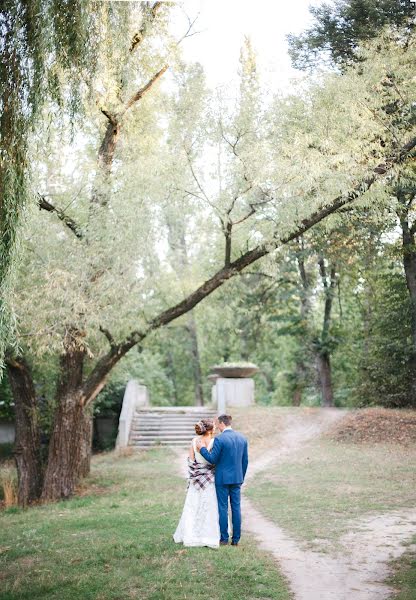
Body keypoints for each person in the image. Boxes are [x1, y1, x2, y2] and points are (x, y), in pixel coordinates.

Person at [196, 414, 248, 546]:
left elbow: (212, 459)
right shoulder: (242, 438)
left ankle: (224, 539)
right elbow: (245, 461)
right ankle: (236, 540)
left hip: (222, 479)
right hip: (237, 478)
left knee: (223, 508)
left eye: (218, 424)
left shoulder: (220, 439)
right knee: (236, 508)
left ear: (222, 423)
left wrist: (201, 448)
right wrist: (241, 477)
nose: (217, 426)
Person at [173, 418, 220, 548]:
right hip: (209, 478)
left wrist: (196, 472)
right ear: (210, 430)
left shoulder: (194, 441)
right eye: (214, 427)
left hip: (196, 477)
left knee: (192, 505)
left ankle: (190, 534)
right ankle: (208, 535)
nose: (215, 429)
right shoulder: (214, 442)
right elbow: (215, 461)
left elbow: (191, 461)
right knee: (209, 505)